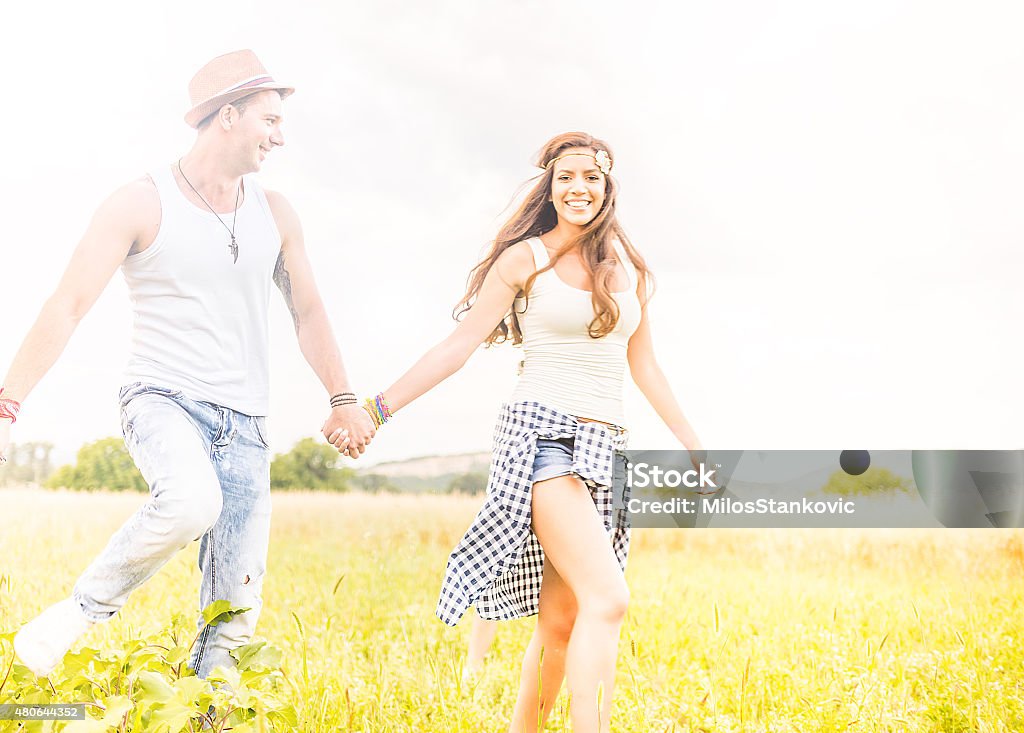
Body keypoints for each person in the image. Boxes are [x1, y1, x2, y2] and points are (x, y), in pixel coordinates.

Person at [0, 49, 374, 679]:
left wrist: (342, 396)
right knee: (188, 501)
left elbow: (308, 311)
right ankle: (79, 613)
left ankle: (207, 719)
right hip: (162, 399)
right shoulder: (140, 203)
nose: (281, 136)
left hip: (248, 423)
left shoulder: (276, 213)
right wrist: (8, 402)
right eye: (271, 120)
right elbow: (67, 305)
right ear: (227, 115)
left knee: (236, 614)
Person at [341, 132, 702, 732]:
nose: (578, 188)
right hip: (543, 440)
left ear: (608, 186)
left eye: (590, 177)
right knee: (609, 600)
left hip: (605, 447)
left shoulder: (631, 272)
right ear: (550, 187)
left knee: (562, 618)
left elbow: (645, 366)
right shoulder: (524, 261)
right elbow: (458, 346)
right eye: (565, 177)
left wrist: (693, 444)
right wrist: (378, 410)